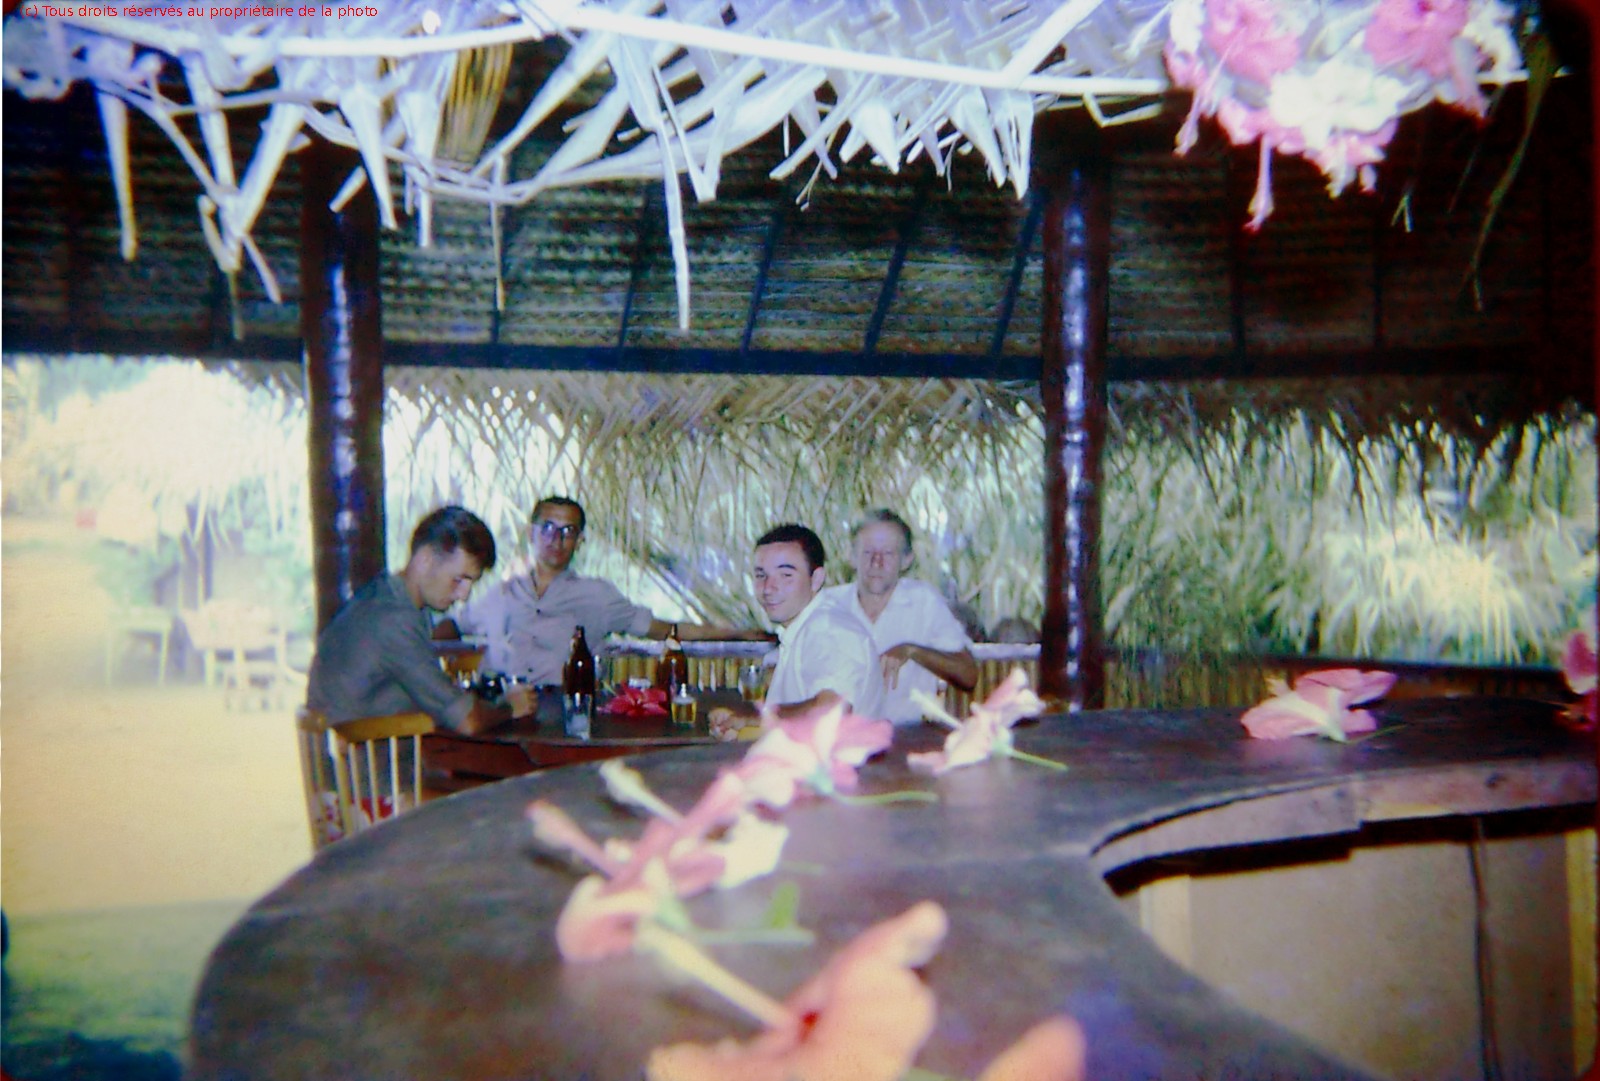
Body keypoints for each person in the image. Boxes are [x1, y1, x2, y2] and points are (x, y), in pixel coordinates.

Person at [434, 496, 766, 686]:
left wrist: (738, 634)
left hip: (561, 705)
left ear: (580, 541)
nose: (556, 539)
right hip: (497, 706)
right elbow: (455, 625)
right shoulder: (499, 592)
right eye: (547, 528)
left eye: (568, 531)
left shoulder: (597, 596)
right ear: (530, 533)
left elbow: (661, 629)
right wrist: (421, 650)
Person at [307, 506, 510, 735]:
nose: (464, 595)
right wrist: (511, 707)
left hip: (358, 750)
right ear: (425, 559)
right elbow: (467, 722)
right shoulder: (394, 619)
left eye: (471, 583)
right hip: (371, 755)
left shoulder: (384, 596)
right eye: (458, 579)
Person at [710, 523, 883, 738]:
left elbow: (832, 710)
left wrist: (756, 717)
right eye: (761, 575)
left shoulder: (830, 631)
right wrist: (740, 722)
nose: (768, 588)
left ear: (816, 579)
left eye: (785, 575)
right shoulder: (802, 627)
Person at [821, 508, 978, 724]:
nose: (877, 562)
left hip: (907, 733)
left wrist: (911, 650)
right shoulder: (829, 605)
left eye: (888, 553)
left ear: (906, 560)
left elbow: (969, 675)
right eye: (868, 552)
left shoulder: (924, 602)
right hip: (841, 733)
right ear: (852, 556)